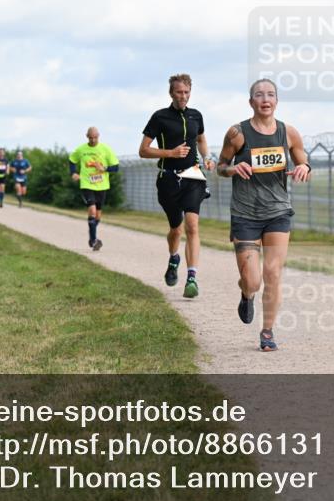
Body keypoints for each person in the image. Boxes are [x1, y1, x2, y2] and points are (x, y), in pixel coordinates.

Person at [216, 78, 310, 351]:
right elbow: (220, 166)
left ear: (277, 101)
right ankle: (246, 294)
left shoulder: (289, 133)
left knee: (273, 273)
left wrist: (305, 168)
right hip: (245, 214)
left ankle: (267, 332)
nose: (265, 99)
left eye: (270, 95)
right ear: (251, 102)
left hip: (278, 213)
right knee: (253, 281)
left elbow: (303, 160)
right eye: (259, 95)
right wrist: (233, 169)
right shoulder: (237, 133)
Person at [138, 73, 215, 298]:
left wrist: (207, 157)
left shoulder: (196, 116)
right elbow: (143, 150)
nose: (183, 96)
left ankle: (192, 277)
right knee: (176, 229)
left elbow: (200, 139)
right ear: (171, 93)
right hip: (168, 179)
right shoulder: (160, 117)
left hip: (193, 175)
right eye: (179, 92)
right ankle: (174, 258)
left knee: (192, 225)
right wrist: (169, 153)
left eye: (187, 93)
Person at [69, 128, 119, 251]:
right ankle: (93, 240)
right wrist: (73, 173)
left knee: (97, 216)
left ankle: (92, 232)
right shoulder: (81, 149)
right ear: (87, 136)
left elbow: (116, 167)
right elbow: (72, 160)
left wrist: (104, 168)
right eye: (90, 137)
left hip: (102, 186)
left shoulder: (105, 149)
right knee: (92, 210)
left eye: (95, 137)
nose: (93, 140)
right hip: (87, 184)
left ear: (98, 136)